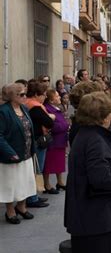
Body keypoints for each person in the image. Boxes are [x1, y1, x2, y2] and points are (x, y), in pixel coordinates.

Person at [65, 92, 111, 253]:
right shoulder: (94, 139)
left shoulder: (86, 134)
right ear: (103, 117)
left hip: (91, 216)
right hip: (98, 219)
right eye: (110, 113)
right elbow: (101, 177)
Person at [0, 84, 37, 224]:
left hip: (26, 153)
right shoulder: (3, 111)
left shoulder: (24, 108)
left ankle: (22, 207)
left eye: (24, 94)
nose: (24, 97)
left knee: (25, 182)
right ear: (11, 96)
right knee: (10, 184)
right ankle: (10, 211)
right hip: (11, 155)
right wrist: (10, 152)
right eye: (21, 95)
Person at [25, 80, 54, 208]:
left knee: (34, 169)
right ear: (36, 94)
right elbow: (48, 122)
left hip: (32, 139)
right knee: (36, 169)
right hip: (37, 139)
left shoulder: (26, 104)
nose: (45, 97)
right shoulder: (35, 107)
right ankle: (32, 198)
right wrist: (51, 117)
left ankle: (34, 196)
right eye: (43, 94)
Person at [43, 89, 69, 192]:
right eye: (57, 96)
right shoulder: (48, 109)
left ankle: (60, 182)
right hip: (53, 140)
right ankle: (47, 184)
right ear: (51, 100)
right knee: (49, 163)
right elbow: (52, 126)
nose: (59, 97)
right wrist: (65, 126)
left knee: (60, 163)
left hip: (60, 140)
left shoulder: (56, 109)